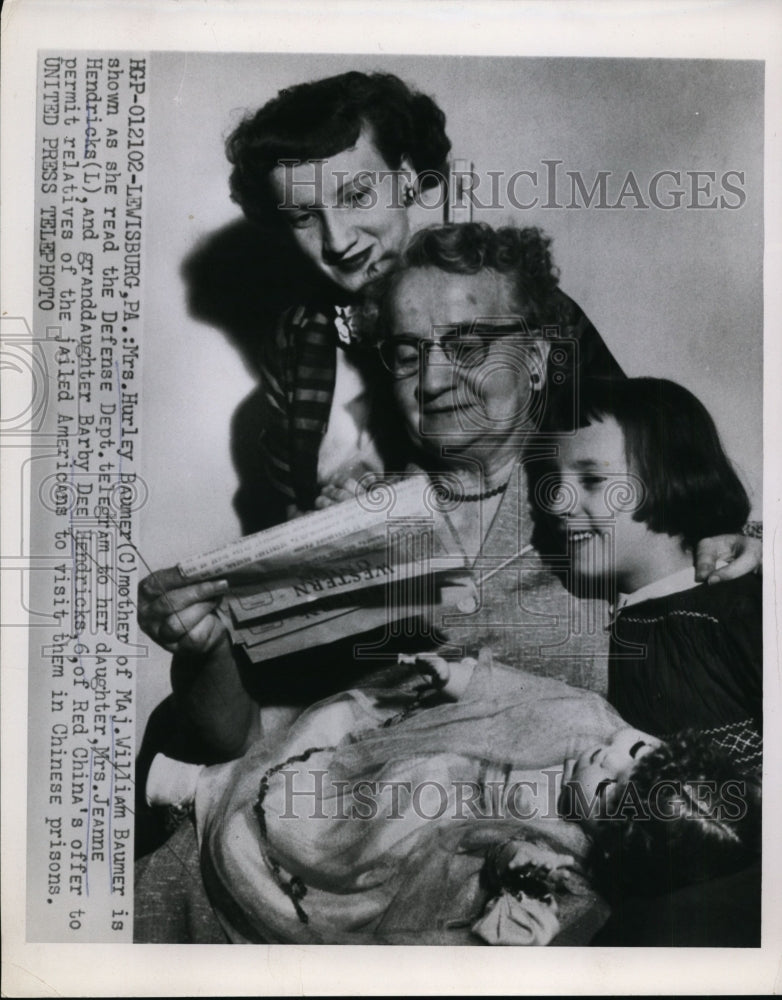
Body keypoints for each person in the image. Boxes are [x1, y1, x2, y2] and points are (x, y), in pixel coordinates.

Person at [136, 221, 761, 766]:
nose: (433, 379)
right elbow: (244, 739)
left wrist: (745, 548)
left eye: (466, 345)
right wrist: (205, 650)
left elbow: (716, 591)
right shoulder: (355, 524)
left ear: (536, 358)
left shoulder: (599, 500)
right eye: (408, 354)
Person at [136, 650, 759, 945]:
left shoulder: (573, 861)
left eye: (612, 792)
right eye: (639, 750)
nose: (608, 759)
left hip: (420, 836)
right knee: (335, 731)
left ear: (616, 845)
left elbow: (519, 875)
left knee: (377, 818)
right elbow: (518, 688)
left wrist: (522, 886)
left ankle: (232, 814)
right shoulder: (592, 717)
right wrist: (457, 677)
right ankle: (209, 783)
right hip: (414, 747)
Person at [540, 376, 762, 756]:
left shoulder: (736, 609)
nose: (557, 503)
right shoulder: (622, 621)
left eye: (591, 479)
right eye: (553, 482)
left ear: (670, 477)